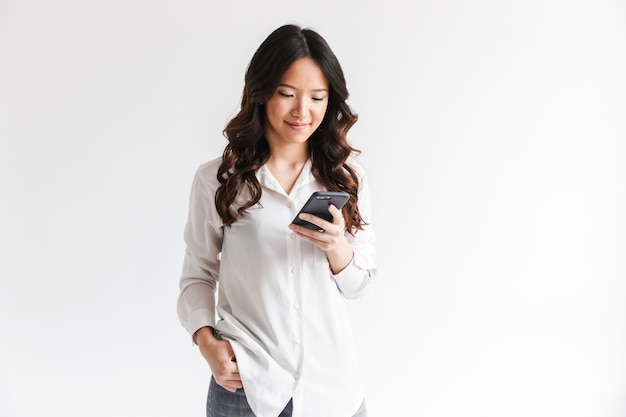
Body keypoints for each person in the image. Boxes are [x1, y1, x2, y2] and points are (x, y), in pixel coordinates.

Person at [177, 23, 376, 417]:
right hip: (248, 390)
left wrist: (337, 247)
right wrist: (206, 343)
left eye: (317, 97)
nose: (303, 111)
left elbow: (358, 285)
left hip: (332, 393)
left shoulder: (348, 180)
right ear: (261, 92)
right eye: (287, 94)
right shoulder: (218, 181)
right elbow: (197, 275)